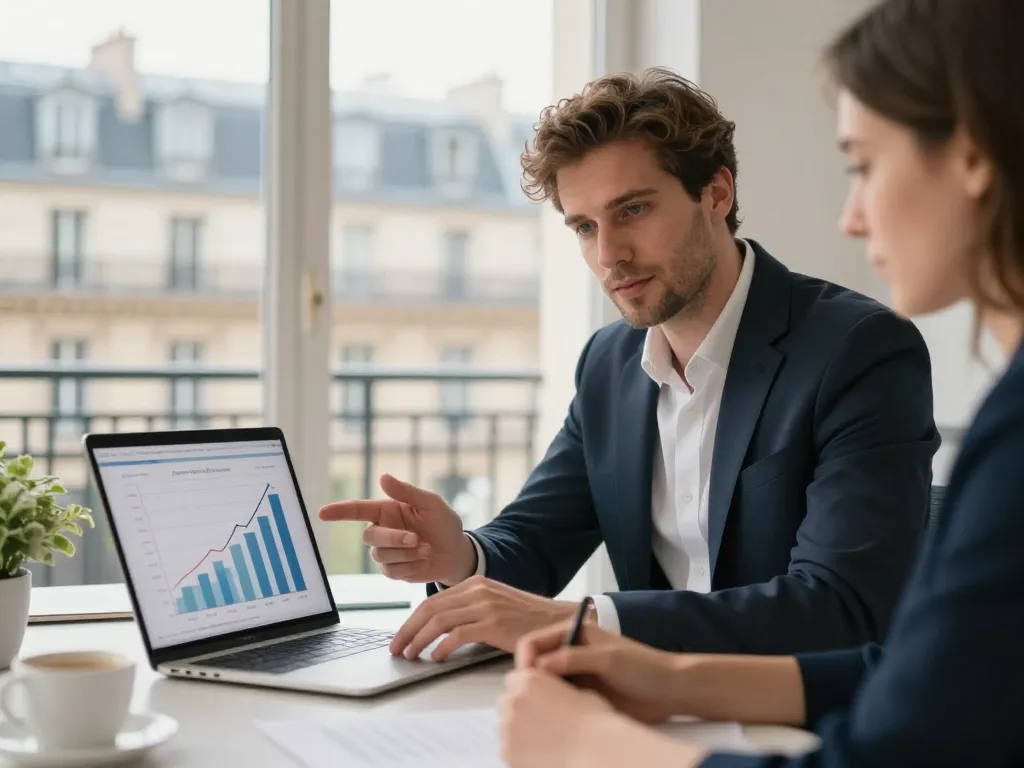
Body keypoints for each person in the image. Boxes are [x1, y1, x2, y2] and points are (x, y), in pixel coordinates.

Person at [497, 0, 1024, 766]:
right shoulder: (609, 362)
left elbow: (897, 732)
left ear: (972, 157)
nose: (849, 217)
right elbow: (925, 681)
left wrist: (600, 747)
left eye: (863, 165)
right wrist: (674, 676)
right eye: (582, 227)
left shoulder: (877, 357)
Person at [319, 68, 939, 660]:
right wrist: (459, 555)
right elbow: (535, 541)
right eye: (584, 227)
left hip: (803, 717)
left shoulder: (858, 350)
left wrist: (586, 623)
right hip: (652, 705)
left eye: (633, 210)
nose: (609, 254)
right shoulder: (608, 363)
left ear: (716, 193)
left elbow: (841, 609)